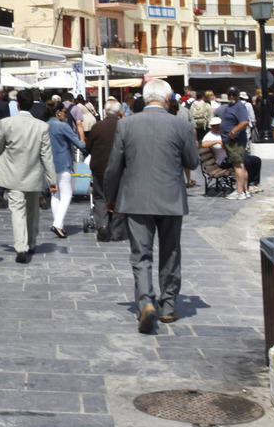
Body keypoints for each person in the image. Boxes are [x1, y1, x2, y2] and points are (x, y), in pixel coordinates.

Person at [103, 78, 199, 333]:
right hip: (171, 199)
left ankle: (146, 302)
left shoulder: (126, 124)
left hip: (136, 199)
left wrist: (111, 198)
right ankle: (167, 306)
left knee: (141, 254)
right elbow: (192, 161)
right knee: (171, 251)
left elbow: (114, 166)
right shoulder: (180, 124)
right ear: (167, 100)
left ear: (145, 99)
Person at [0, 89, 57, 264]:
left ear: (17, 105)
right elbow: (46, 155)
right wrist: (52, 179)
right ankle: (32, 242)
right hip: (33, 174)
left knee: (17, 211)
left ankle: (21, 247)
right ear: (32, 105)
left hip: (12, 174)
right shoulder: (42, 126)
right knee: (33, 210)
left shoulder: (6, 123)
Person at [46, 101, 86, 240]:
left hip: (48, 165)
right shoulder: (62, 126)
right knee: (67, 194)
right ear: (58, 112)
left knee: (55, 195)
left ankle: (60, 224)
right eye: (64, 111)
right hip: (63, 163)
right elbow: (78, 143)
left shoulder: (44, 125)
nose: (65, 114)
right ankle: (57, 224)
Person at [87, 99, 124, 242]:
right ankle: (117, 231)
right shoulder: (124, 126)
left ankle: (102, 225)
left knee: (100, 197)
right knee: (119, 198)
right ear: (119, 111)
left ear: (105, 110)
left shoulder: (97, 127)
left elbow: (88, 147)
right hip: (119, 169)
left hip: (100, 167)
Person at [220, 87, 252, 200]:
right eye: (229, 94)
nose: (231, 96)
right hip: (231, 141)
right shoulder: (231, 106)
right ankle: (245, 190)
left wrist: (233, 132)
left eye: (234, 94)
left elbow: (245, 122)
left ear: (238, 95)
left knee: (237, 165)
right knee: (240, 165)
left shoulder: (239, 106)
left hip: (235, 141)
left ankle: (239, 192)